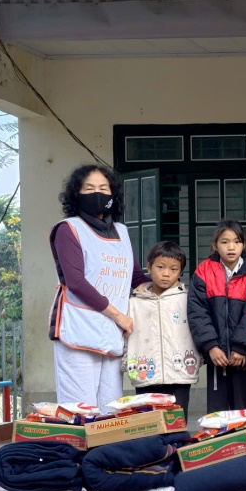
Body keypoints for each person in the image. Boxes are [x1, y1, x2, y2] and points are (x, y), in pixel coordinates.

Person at [48, 164, 143, 406]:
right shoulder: (68, 229)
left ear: (113, 194)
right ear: (76, 194)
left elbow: (136, 278)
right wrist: (118, 316)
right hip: (79, 330)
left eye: (103, 188)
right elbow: (76, 283)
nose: (97, 193)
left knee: (111, 410)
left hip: (112, 333)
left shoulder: (122, 231)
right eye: (89, 189)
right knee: (80, 410)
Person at [188, 220, 246, 413]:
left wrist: (241, 347)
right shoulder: (204, 271)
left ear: (244, 244)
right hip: (216, 355)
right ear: (214, 245)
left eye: (237, 241)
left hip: (243, 357)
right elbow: (198, 311)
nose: (231, 247)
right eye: (224, 242)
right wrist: (211, 346)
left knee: (243, 412)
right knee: (217, 414)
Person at [126, 240, 199, 415]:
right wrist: (125, 362)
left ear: (180, 272)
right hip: (145, 373)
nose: (166, 274)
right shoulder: (134, 302)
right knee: (148, 423)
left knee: (177, 422)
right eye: (160, 267)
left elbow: (198, 330)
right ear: (149, 267)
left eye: (173, 269)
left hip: (179, 374)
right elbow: (125, 335)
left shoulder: (187, 300)